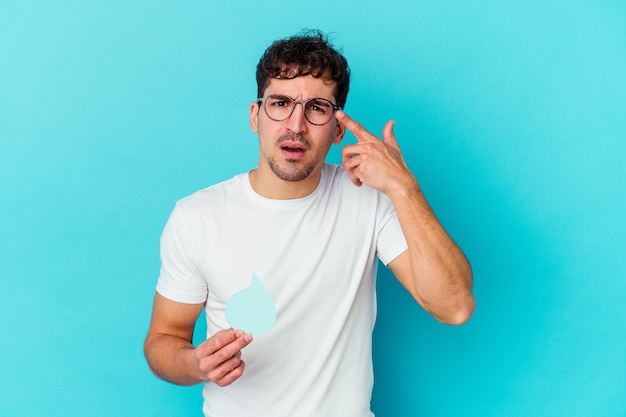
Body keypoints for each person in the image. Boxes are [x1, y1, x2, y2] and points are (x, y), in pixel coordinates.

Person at [144, 29, 475, 417]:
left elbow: (454, 307)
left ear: (337, 130)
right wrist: (194, 364)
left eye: (316, 108)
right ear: (256, 116)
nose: (296, 125)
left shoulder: (369, 199)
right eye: (280, 103)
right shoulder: (196, 216)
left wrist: (404, 188)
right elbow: (164, 339)